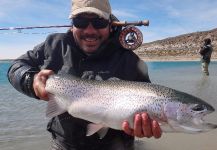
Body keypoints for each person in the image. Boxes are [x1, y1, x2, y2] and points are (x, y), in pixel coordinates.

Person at [7, 0, 162, 149]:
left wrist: (144, 127)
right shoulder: (54, 45)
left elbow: (148, 96)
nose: (90, 31)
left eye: (99, 22)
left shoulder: (130, 61)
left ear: (110, 24)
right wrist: (31, 80)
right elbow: (16, 67)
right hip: (64, 145)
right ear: (72, 25)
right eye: (80, 22)